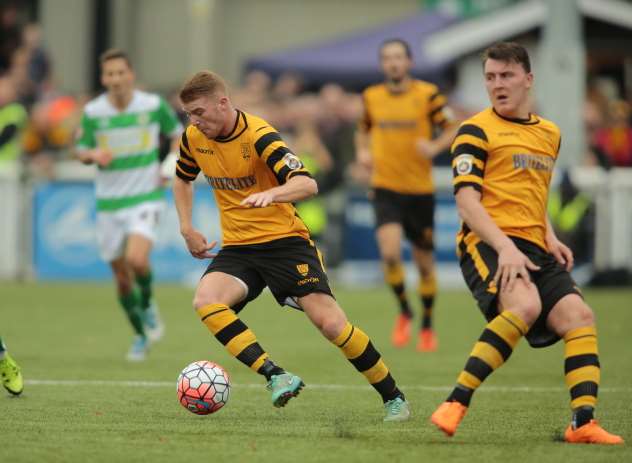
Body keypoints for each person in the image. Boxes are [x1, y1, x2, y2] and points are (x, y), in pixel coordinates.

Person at [172, 70, 410, 421]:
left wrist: (273, 193)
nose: (194, 121)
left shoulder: (259, 135)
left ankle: (394, 397)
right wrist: (186, 227)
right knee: (206, 301)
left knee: (331, 326)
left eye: (199, 112)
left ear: (223, 103)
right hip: (240, 247)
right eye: (189, 114)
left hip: (285, 243)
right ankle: (275, 375)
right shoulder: (193, 138)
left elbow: (307, 184)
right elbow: (182, 178)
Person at [430, 42, 623, 445]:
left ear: (528, 79)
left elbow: (534, 193)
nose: (497, 84)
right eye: (490, 77)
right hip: (487, 243)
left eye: (506, 76)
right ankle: (455, 401)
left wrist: (549, 236)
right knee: (525, 305)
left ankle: (583, 423)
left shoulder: (549, 133)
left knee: (580, 316)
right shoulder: (474, 131)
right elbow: (467, 202)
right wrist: (504, 247)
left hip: (533, 243)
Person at [75, 49, 182, 361]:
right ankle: (139, 335)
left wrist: (169, 166)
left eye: (121, 72)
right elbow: (81, 149)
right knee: (122, 279)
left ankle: (147, 302)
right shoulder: (94, 112)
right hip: (109, 204)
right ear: (103, 79)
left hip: (145, 197)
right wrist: (93, 156)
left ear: (131, 74)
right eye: (110, 74)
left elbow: (178, 136)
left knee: (137, 260)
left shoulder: (152, 106)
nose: (116, 79)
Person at [355, 38, 458, 351]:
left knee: (424, 265)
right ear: (382, 64)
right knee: (388, 254)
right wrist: (362, 152)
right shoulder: (371, 96)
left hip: (419, 191)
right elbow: (362, 128)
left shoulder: (427, 94)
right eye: (387, 58)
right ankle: (404, 312)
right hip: (385, 186)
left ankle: (427, 323)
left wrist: (435, 147)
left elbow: (453, 127)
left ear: (409, 62)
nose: (393, 63)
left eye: (399, 57)